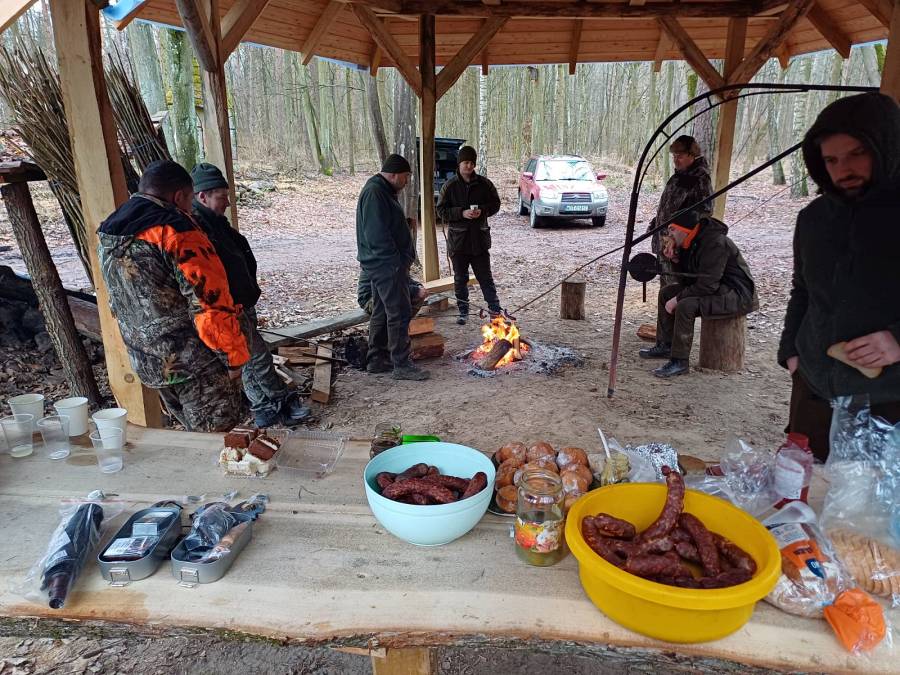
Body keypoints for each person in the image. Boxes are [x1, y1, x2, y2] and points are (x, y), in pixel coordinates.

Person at [778, 91, 900, 461]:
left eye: (856, 154)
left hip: (887, 402)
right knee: (805, 483)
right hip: (814, 390)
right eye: (831, 160)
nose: (843, 170)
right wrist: (791, 352)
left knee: (871, 496)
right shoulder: (813, 219)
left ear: (885, 147)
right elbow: (802, 290)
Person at [98, 160, 248, 432]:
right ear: (179, 196)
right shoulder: (176, 232)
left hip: (149, 362)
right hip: (195, 365)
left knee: (192, 437)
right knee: (219, 440)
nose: (191, 208)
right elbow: (209, 303)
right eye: (190, 199)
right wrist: (232, 357)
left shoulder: (111, 230)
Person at [190, 163, 311, 428]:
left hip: (240, 302)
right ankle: (278, 403)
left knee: (249, 359)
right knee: (258, 357)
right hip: (228, 309)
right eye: (222, 197)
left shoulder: (215, 223)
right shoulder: (197, 228)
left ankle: (264, 408)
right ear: (202, 196)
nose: (227, 203)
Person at [639, 210, 757, 378]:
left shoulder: (715, 243)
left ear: (684, 229)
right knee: (666, 293)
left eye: (672, 229)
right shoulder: (688, 242)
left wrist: (677, 299)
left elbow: (707, 285)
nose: (669, 234)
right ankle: (666, 345)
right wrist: (675, 260)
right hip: (716, 289)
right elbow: (686, 281)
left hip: (736, 294)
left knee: (686, 305)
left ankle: (679, 361)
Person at [356, 153, 429, 381]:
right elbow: (376, 234)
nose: (407, 181)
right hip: (385, 265)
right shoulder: (375, 193)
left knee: (381, 310)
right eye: (406, 176)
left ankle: (377, 359)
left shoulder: (382, 191)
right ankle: (401, 364)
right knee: (399, 311)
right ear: (394, 174)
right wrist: (395, 263)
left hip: (383, 264)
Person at [435, 145, 503, 325]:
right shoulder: (449, 186)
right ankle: (463, 311)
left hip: (479, 239)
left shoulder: (485, 184)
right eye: (466, 162)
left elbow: (496, 204)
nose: (469, 166)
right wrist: (461, 213)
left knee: (485, 277)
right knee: (460, 279)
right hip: (458, 241)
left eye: (472, 163)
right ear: (459, 164)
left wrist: (483, 211)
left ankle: (495, 310)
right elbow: (441, 210)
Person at [647, 135, 712, 286]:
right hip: (664, 242)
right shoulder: (678, 176)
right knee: (665, 286)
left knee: (676, 288)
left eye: (680, 156)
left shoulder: (700, 178)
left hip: (678, 247)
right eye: (674, 156)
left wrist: (677, 236)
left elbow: (705, 212)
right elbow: (670, 206)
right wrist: (656, 223)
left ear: (692, 155)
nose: (676, 160)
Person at [357, 269, 428, 317]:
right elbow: (390, 288)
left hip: (385, 295)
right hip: (369, 300)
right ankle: (395, 326)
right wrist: (416, 290)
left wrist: (419, 286)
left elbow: (406, 279)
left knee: (417, 295)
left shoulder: (395, 260)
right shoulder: (382, 260)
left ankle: (403, 323)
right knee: (398, 299)